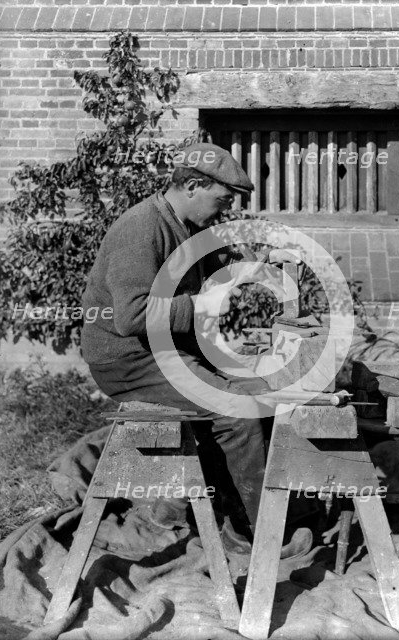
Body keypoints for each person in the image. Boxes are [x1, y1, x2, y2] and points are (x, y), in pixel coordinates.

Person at [81, 143, 282, 546]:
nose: (223, 212)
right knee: (236, 412)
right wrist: (201, 304)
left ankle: (233, 511)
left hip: (168, 352)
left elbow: (206, 284)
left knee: (264, 392)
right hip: (128, 361)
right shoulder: (142, 227)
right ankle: (253, 536)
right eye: (221, 201)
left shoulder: (189, 228)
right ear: (192, 185)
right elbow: (131, 317)